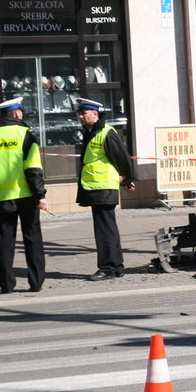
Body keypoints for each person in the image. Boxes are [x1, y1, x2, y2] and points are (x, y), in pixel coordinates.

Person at [0, 97, 48, 294]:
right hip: (26, 196)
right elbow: (33, 169)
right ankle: (36, 282)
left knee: (5, 241)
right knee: (32, 238)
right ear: (17, 114)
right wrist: (40, 195)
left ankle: (6, 284)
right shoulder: (25, 134)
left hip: (1, 197)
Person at [75, 98, 136, 281]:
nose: (80, 116)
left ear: (95, 114)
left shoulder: (106, 133)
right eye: (79, 113)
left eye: (83, 113)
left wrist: (127, 179)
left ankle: (108, 268)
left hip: (103, 187)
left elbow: (123, 159)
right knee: (108, 228)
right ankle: (116, 267)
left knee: (104, 230)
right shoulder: (91, 132)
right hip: (96, 187)